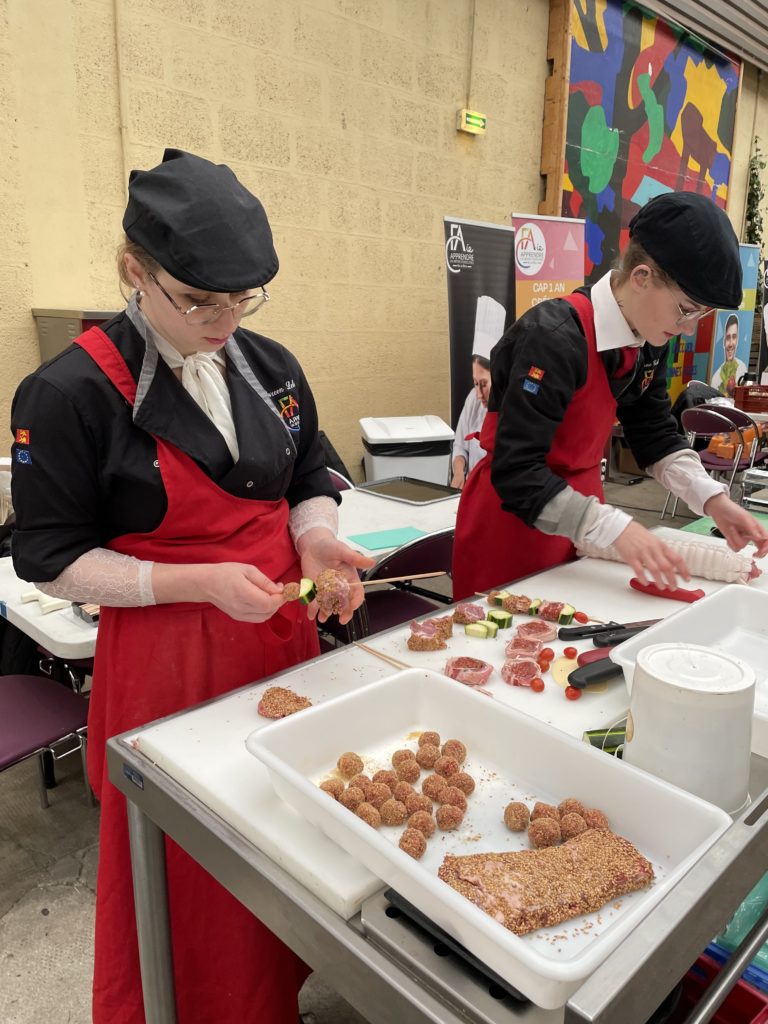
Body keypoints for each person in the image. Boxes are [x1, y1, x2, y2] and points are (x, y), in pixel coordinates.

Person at [10, 149, 373, 1024]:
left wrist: (316, 539)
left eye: (240, 300)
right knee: (188, 871)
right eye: (198, 300)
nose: (223, 321)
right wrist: (194, 581)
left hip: (275, 642)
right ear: (135, 272)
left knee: (280, 839)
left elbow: (310, 472)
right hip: (166, 659)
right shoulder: (69, 394)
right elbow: (49, 556)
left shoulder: (271, 367)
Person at [453, 191, 768, 599]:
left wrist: (711, 498)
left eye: (699, 315)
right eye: (686, 310)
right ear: (641, 277)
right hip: (511, 525)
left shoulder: (649, 339)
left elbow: (653, 433)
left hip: (582, 521)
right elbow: (516, 470)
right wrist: (617, 528)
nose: (689, 328)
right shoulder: (552, 338)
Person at [450, 355, 491, 488]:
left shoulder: (514, 410)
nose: (479, 394)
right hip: (470, 490)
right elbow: (460, 446)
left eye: (484, 384)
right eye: (475, 383)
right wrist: (458, 472)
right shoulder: (473, 399)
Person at [710, 313, 748, 398]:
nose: (731, 343)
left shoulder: (742, 368)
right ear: (724, 342)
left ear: (737, 340)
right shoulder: (716, 378)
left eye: (734, 337)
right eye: (728, 337)